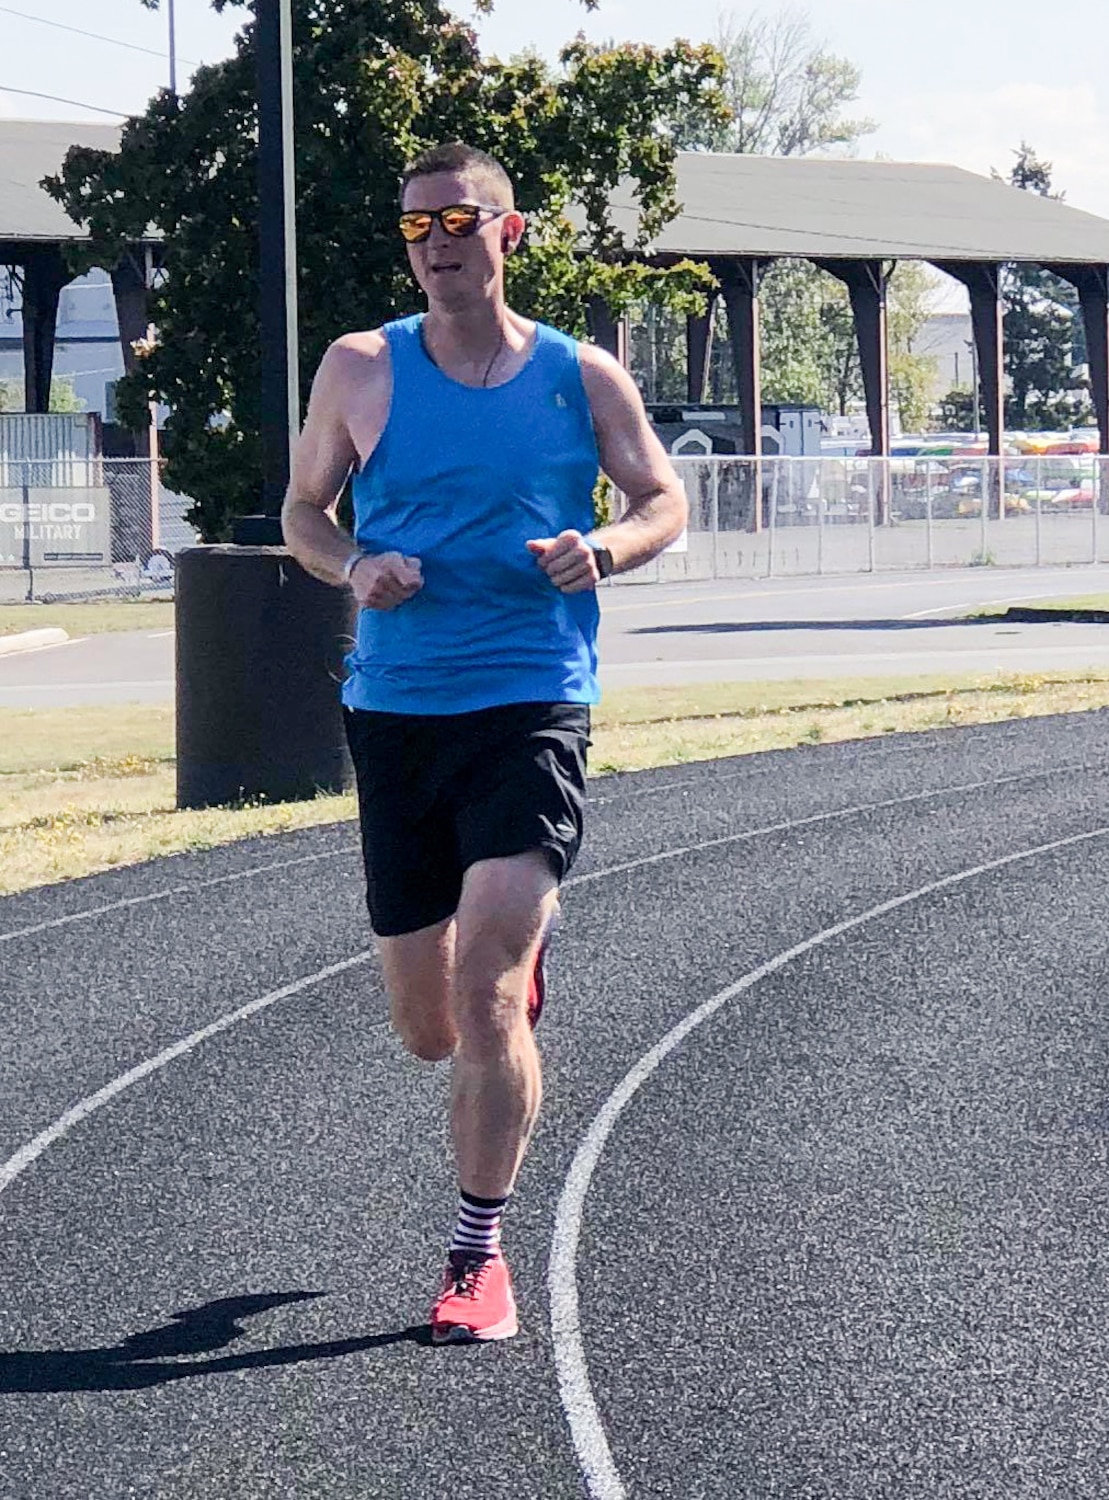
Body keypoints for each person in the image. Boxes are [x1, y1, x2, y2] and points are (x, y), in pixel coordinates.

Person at [282, 142, 687, 1341]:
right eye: (415, 227)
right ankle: (497, 967)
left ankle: (476, 1256)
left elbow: (662, 498)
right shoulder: (359, 368)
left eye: (460, 220)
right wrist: (356, 561)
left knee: (487, 991)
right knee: (428, 1027)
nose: (437, 242)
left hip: (531, 699)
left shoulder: (581, 373)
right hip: (398, 710)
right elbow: (305, 512)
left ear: (509, 234)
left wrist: (605, 549)